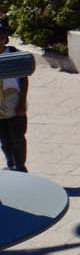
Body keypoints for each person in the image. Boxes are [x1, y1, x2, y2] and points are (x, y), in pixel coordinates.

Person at [1, 12, 31, 172]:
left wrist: (21, 103)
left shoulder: (14, 55)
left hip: (14, 104)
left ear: (5, 38)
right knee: (4, 139)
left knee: (17, 137)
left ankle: (20, 166)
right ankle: (11, 164)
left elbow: (24, 79)